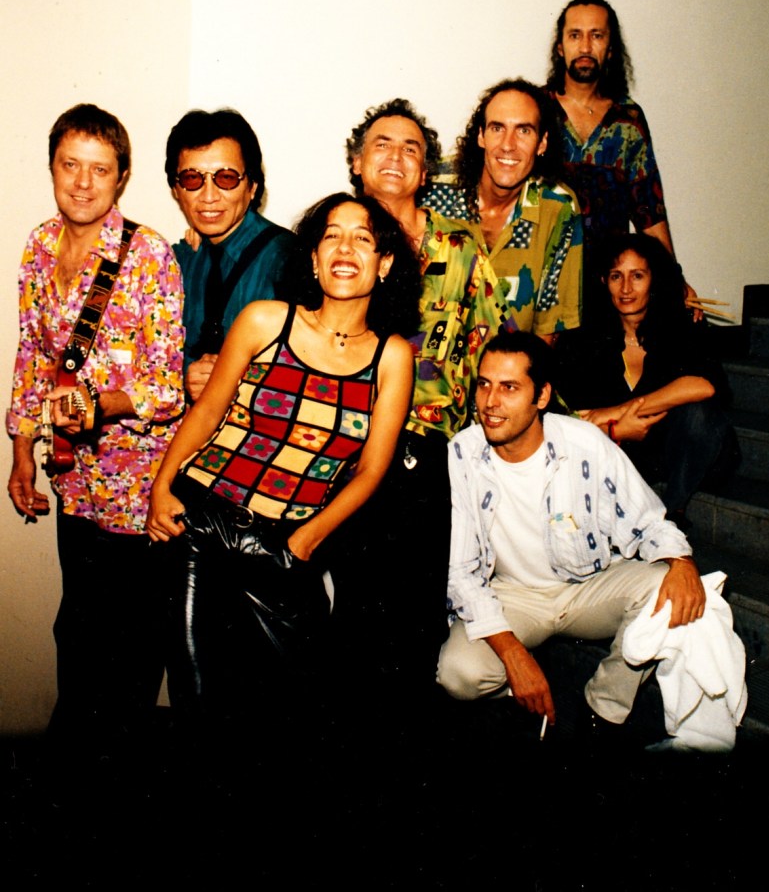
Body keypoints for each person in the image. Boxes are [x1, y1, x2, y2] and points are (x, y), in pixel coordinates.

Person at [146, 192, 417, 745]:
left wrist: (304, 543)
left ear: (384, 264)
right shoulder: (264, 320)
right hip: (201, 524)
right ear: (313, 259)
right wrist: (160, 487)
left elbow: (370, 471)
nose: (345, 249)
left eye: (363, 239)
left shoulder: (392, 357)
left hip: (283, 546)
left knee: (297, 716)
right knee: (201, 706)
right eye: (331, 236)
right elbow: (207, 412)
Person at [6, 103, 185, 760]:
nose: (82, 182)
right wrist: (23, 452)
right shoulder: (36, 246)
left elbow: (166, 387)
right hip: (73, 476)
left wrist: (100, 402)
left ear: (123, 176)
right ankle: (74, 767)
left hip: (139, 489)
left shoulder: (148, 255)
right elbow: (30, 356)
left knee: (132, 645)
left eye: (99, 169)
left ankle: (120, 780)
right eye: (69, 165)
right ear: (53, 167)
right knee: (75, 625)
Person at [437, 330, 706, 737]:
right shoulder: (463, 451)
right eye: (485, 384)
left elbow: (648, 519)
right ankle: (522, 695)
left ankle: (604, 709)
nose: (491, 402)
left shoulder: (583, 442)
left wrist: (682, 562)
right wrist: (513, 655)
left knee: (666, 589)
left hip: (587, 586)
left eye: (509, 387)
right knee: (457, 673)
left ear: (541, 396)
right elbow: (461, 572)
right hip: (515, 596)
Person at [342, 98, 514, 697]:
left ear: (425, 170)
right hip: (352, 450)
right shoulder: (341, 242)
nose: (397, 157)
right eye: (382, 145)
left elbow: (499, 339)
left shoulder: (462, 247)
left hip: (438, 453)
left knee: (422, 610)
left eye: (412, 148)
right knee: (358, 610)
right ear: (358, 163)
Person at [554, 234, 738, 528]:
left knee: (700, 414)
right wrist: (616, 426)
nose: (626, 288)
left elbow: (704, 385)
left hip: (680, 448)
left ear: (654, 280)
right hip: (627, 452)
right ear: (604, 281)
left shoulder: (681, 325)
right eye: (616, 276)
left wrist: (618, 410)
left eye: (637, 276)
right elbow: (578, 418)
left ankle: (670, 514)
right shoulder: (586, 339)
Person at [546, 0, 698, 315]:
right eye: (575, 35)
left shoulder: (627, 120)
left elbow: (649, 210)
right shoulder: (536, 111)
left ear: (610, 49)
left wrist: (674, 279)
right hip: (544, 283)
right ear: (560, 47)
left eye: (596, 35)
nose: (585, 47)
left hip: (608, 288)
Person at [426, 78, 582, 342]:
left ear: (542, 143)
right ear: (481, 135)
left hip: (505, 375)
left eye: (524, 131)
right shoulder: (434, 188)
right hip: (427, 373)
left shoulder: (558, 207)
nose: (508, 144)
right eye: (497, 128)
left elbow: (547, 329)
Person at [166, 108, 296, 401]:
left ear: (252, 186)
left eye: (226, 178)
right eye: (192, 179)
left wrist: (238, 376)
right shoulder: (174, 262)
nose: (209, 195)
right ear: (176, 189)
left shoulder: (288, 258)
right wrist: (187, 373)